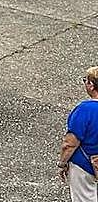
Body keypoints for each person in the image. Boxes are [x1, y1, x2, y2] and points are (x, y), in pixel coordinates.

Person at [58, 67, 98, 201]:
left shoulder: (85, 109)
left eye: (85, 81)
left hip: (84, 165)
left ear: (92, 86)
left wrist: (62, 164)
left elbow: (69, 144)